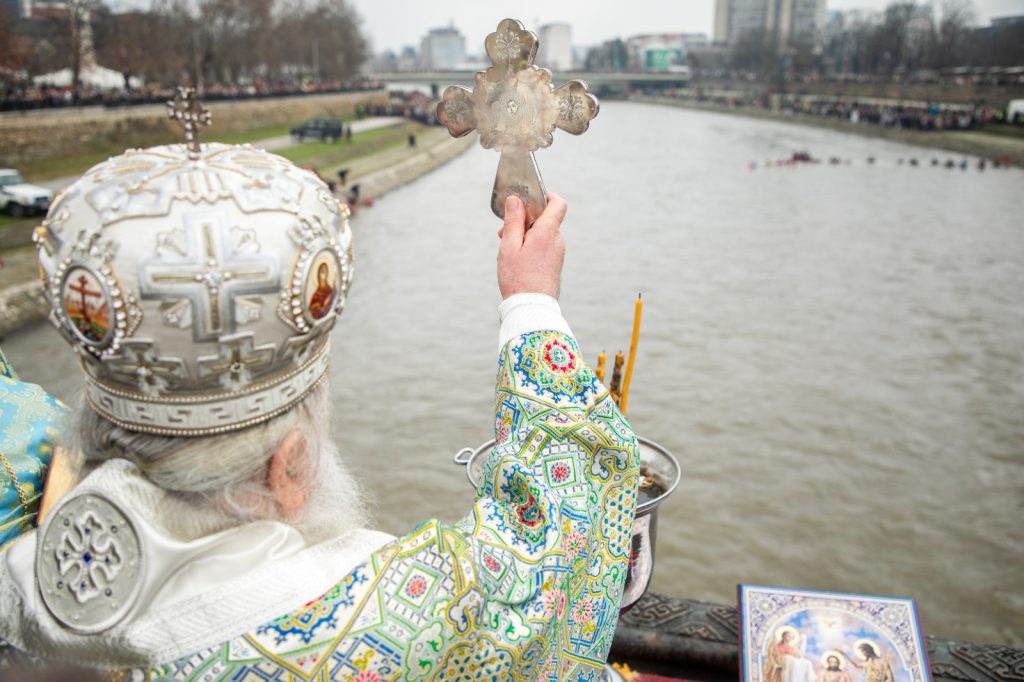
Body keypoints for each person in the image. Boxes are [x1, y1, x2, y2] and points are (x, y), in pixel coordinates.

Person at [0, 99, 639, 682]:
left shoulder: (22, 568)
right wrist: (531, 301)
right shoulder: (376, 628)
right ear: (285, 471)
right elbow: (552, 548)